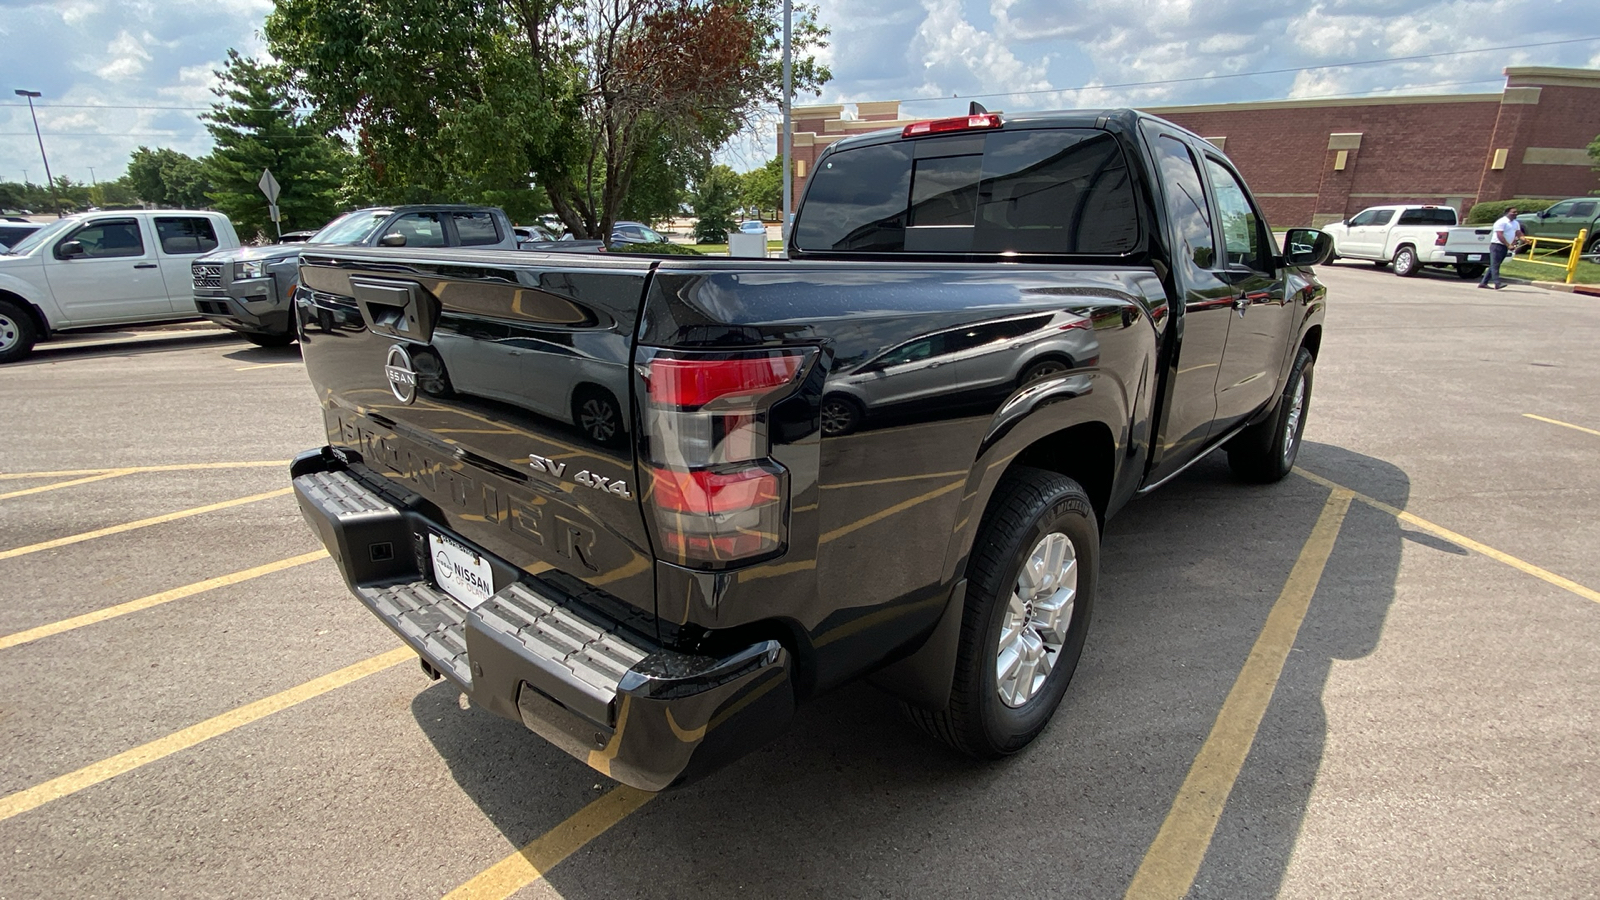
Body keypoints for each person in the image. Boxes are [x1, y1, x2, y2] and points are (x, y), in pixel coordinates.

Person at [1478, 207, 1525, 290]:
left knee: (1495, 264)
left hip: (1505, 246)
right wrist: (1508, 245)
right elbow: (1500, 235)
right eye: (1513, 212)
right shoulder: (1501, 222)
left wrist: (1524, 239)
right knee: (1495, 265)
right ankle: (1497, 283)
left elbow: (1518, 233)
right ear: (1507, 213)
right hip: (1497, 245)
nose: (1516, 213)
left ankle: (1483, 283)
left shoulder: (1515, 223)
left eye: (1516, 212)